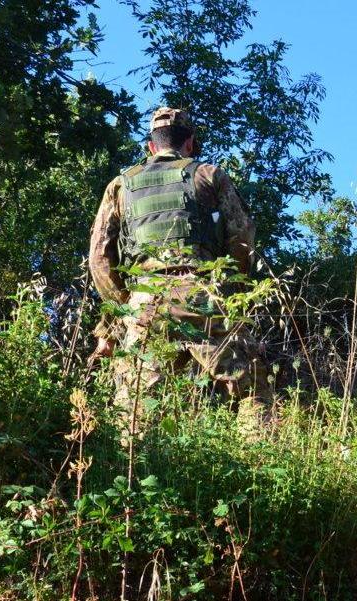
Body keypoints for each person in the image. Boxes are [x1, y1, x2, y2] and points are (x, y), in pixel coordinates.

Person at [88, 107, 269, 425]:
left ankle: (130, 471)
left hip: (145, 303)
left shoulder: (120, 186)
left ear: (151, 146)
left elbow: (99, 259)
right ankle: (258, 469)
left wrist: (124, 306)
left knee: (135, 411)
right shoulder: (209, 174)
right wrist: (232, 291)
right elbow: (242, 236)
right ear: (190, 143)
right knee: (252, 393)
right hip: (204, 294)